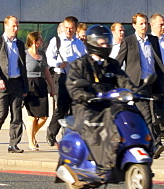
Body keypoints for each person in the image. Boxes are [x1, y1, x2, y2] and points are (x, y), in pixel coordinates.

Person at [67, 24, 137, 176]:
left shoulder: (112, 64)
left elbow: (123, 79)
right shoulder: (80, 64)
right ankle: (99, 163)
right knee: (97, 124)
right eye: (102, 42)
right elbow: (73, 86)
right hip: (86, 106)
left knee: (127, 116)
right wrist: (85, 95)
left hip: (108, 104)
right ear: (92, 43)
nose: (105, 45)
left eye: (107, 41)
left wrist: (135, 91)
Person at [0, 15, 27, 152]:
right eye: (13, 26)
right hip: (2, 83)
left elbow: (23, 66)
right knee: (1, 114)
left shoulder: (20, 44)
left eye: (17, 26)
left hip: (16, 83)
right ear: (6, 26)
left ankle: (13, 144)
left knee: (17, 115)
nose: (16, 28)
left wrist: (24, 87)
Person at [116, 12, 164, 132]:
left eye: (145, 23)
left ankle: (150, 141)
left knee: (154, 114)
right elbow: (118, 62)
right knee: (146, 113)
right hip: (137, 84)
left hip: (152, 83)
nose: (144, 26)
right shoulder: (128, 41)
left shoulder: (153, 40)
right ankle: (156, 142)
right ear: (134, 25)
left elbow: (158, 61)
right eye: (140, 24)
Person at [45, 15, 86, 146]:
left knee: (75, 108)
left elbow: (84, 58)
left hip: (76, 78)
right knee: (61, 108)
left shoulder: (79, 43)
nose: (69, 31)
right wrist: (58, 63)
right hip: (61, 76)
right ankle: (51, 132)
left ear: (75, 29)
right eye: (67, 28)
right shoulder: (56, 41)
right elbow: (48, 58)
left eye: (71, 28)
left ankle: (70, 136)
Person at [24, 31, 55, 150]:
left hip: (41, 84)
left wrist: (52, 87)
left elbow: (46, 72)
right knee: (32, 116)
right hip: (29, 84)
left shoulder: (42, 54)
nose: (42, 42)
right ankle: (31, 142)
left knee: (43, 117)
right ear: (34, 41)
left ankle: (31, 135)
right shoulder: (25, 54)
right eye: (40, 40)